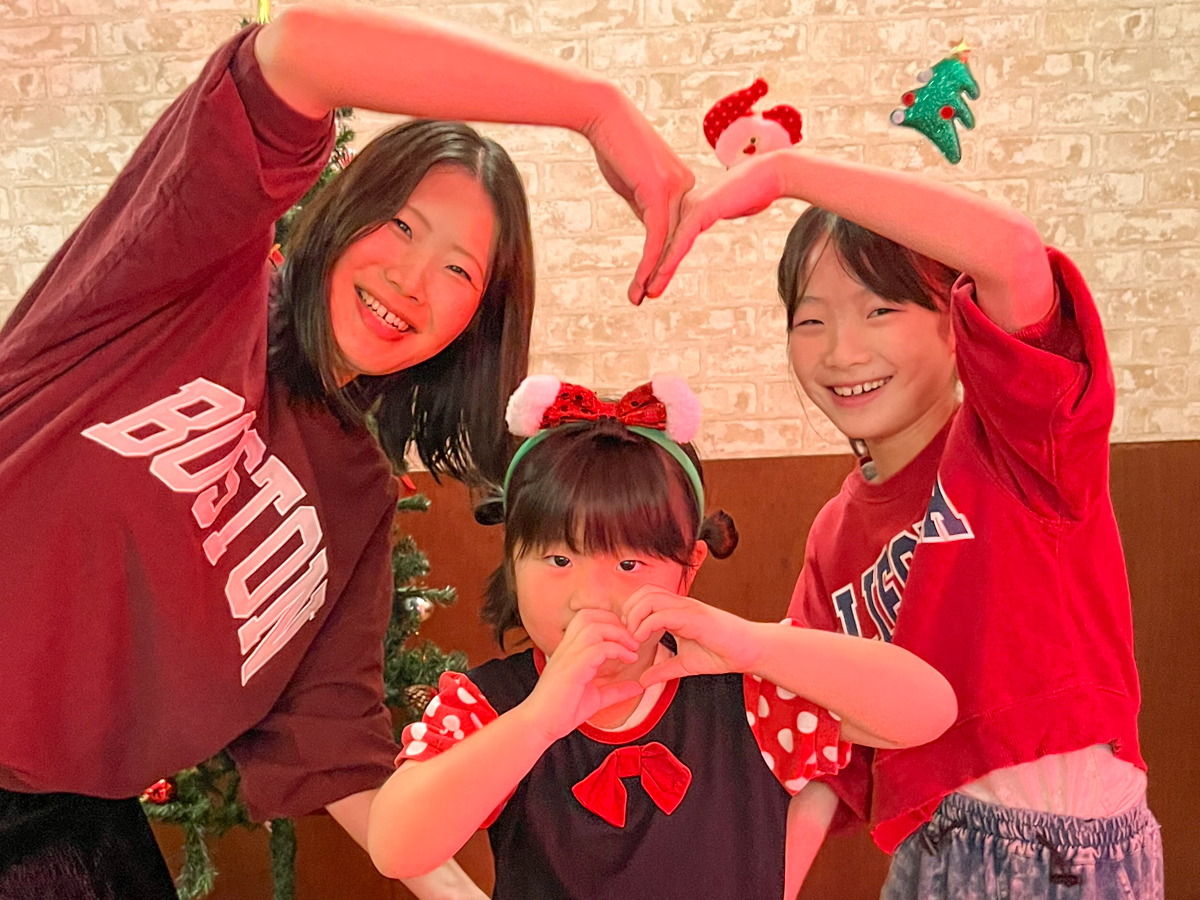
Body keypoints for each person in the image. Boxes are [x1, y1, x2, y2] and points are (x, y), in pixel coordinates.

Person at [0, 4, 693, 897]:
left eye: (459, 270)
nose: (411, 279)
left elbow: (328, 749)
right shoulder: (190, 281)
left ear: (474, 324)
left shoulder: (356, 493)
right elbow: (294, 49)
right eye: (400, 226)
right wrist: (595, 107)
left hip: (66, 825)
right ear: (345, 208)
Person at [646, 149, 1164, 897]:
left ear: (958, 324)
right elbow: (824, 745)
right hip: (927, 851)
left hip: (1064, 851)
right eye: (811, 320)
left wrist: (786, 174)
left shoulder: (1023, 442)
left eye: (880, 310)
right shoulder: (834, 536)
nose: (842, 351)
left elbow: (1014, 253)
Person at [366, 374, 957, 899]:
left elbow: (928, 712)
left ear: (688, 568)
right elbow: (395, 848)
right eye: (558, 559)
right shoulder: (491, 706)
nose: (589, 596)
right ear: (512, 561)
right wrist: (537, 722)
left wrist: (754, 646)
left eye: (629, 564)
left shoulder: (744, 690)